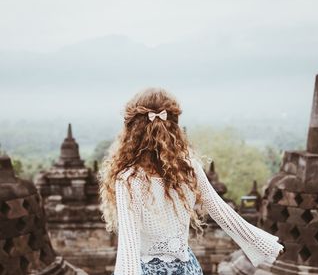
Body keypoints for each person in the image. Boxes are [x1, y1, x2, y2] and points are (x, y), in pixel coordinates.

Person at [98, 88, 284, 275]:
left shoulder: (128, 179)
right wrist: (264, 245)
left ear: (132, 132)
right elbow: (222, 212)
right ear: (174, 129)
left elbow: (129, 245)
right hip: (188, 269)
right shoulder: (189, 168)